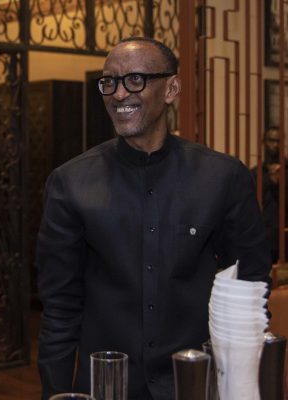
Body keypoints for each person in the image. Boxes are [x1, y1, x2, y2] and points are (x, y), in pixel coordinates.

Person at [36, 37, 271, 400]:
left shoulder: (222, 177)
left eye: (135, 80)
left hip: (193, 382)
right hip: (108, 384)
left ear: (171, 88)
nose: (119, 94)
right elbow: (59, 307)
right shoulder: (70, 183)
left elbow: (250, 287)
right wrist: (55, 393)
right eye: (109, 82)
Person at [252, 126, 288, 263]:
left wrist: (277, 184)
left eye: (279, 141)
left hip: (284, 236)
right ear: (264, 142)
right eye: (271, 140)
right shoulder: (256, 173)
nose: (275, 145)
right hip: (262, 236)